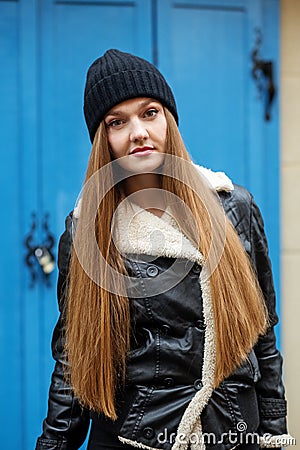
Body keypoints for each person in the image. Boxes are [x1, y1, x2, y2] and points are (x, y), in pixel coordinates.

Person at [35, 49, 291, 450]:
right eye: (117, 122)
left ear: (169, 120)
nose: (137, 131)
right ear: (105, 141)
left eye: (149, 112)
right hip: (137, 437)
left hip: (233, 433)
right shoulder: (87, 231)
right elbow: (73, 361)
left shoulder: (234, 207)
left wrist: (274, 435)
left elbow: (263, 337)